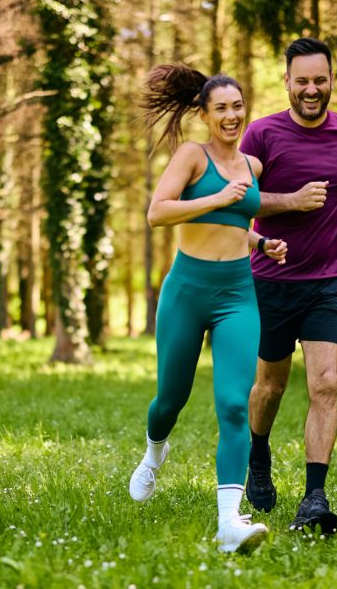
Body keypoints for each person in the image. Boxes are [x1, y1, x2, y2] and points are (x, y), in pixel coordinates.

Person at [128, 63, 288, 554]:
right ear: (203, 114)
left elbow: (236, 222)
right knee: (169, 400)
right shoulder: (191, 157)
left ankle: (228, 524)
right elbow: (158, 212)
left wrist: (259, 244)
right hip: (187, 291)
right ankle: (155, 452)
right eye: (221, 108)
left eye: (237, 106)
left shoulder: (253, 167)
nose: (231, 115)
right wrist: (217, 196)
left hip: (238, 292)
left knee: (236, 404)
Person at [239, 37, 337, 535]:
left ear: (332, 80)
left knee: (326, 383)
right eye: (303, 81)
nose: (312, 89)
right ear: (287, 83)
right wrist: (291, 202)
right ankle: (258, 454)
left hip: (328, 281)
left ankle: (314, 497)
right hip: (272, 282)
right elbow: (239, 200)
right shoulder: (261, 135)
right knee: (271, 385)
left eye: (320, 80)